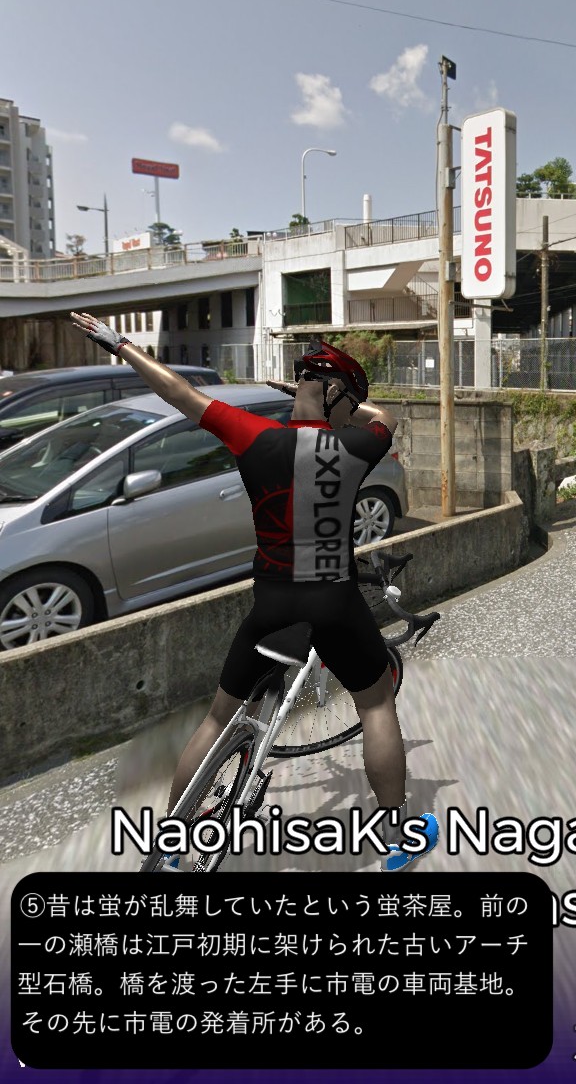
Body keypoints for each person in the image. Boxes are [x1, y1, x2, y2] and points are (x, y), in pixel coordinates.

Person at [68, 311, 438, 872]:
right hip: (333, 601)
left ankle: (172, 845)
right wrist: (329, 397)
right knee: (375, 704)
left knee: (217, 720)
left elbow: (179, 393)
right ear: (336, 397)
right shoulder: (355, 446)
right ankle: (397, 837)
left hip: (271, 602)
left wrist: (120, 344)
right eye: (346, 400)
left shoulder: (252, 435)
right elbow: (385, 417)